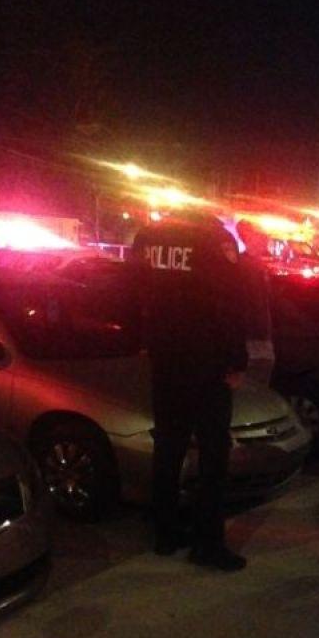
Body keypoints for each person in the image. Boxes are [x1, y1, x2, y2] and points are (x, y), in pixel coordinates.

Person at [133, 212, 248, 571]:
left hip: (165, 361)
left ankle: (165, 534)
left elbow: (131, 290)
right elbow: (229, 304)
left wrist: (146, 339)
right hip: (207, 363)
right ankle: (208, 544)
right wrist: (236, 361)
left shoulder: (148, 238)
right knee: (214, 457)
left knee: (168, 448)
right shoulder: (213, 240)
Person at [236, 218, 275, 385]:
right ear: (250, 237)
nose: (266, 238)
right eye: (261, 235)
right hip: (254, 339)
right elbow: (252, 303)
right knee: (253, 393)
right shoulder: (246, 266)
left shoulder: (255, 265)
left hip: (259, 337)